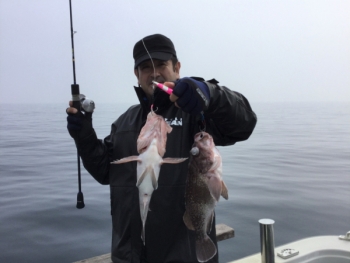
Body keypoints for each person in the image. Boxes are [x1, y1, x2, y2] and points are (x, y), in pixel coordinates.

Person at [66, 34, 257, 263]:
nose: (154, 73)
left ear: (177, 68)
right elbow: (104, 171)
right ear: (137, 75)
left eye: (162, 65)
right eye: (146, 67)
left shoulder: (198, 115)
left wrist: (211, 94)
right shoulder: (124, 122)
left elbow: (244, 124)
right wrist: (84, 135)